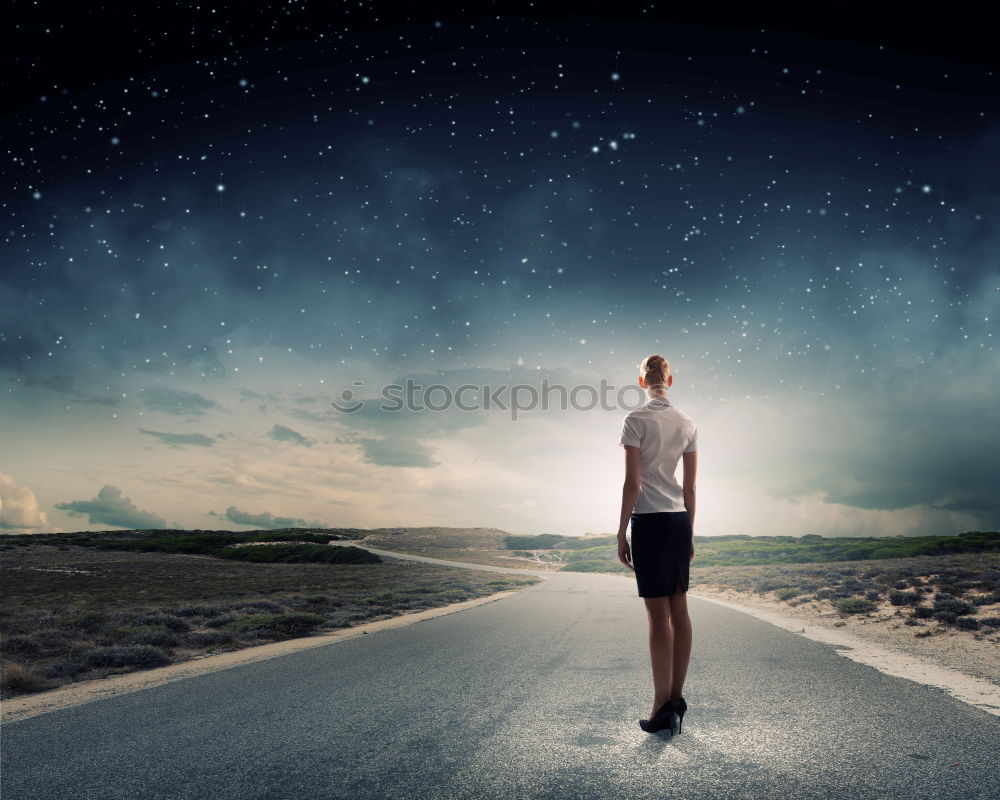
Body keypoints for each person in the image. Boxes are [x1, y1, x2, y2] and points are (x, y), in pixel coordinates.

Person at [616, 354, 697, 734]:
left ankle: (660, 704)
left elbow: (633, 484)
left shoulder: (635, 420)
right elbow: (690, 487)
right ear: (670, 379)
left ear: (641, 380)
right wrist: (691, 532)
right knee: (679, 611)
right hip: (679, 520)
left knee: (657, 617)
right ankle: (676, 699)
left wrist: (621, 532)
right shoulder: (687, 422)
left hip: (648, 521)